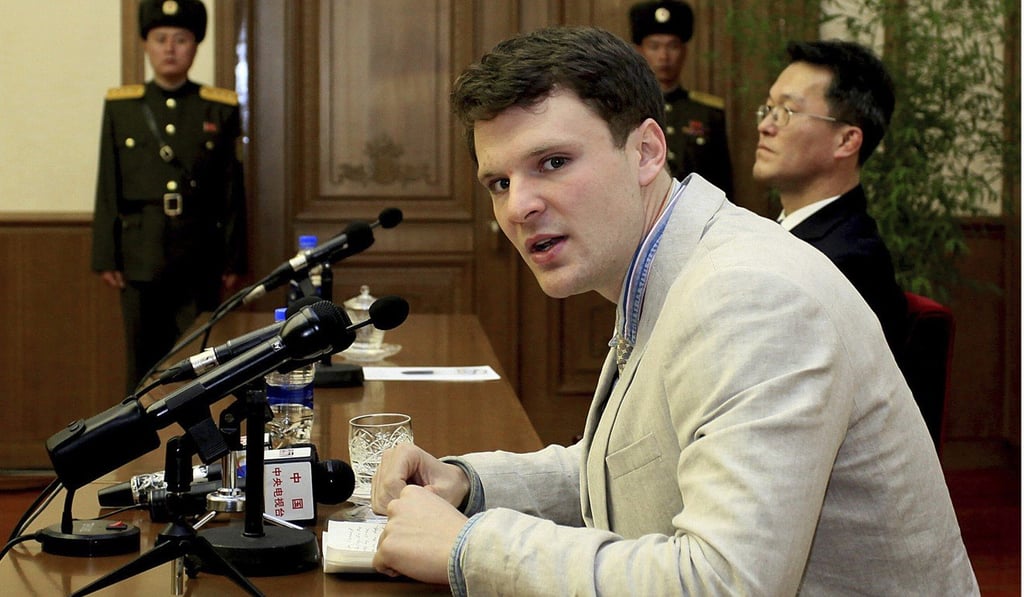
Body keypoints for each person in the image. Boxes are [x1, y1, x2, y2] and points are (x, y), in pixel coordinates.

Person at [367, 26, 978, 595]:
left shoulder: (750, 296)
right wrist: (472, 486)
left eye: (552, 163)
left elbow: (721, 582)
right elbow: (640, 463)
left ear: (647, 152)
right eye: (498, 183)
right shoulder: (670, 262)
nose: (518, 206)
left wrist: (469, 547)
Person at [91, 0, 247, 393]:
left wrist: (234, 256)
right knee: (142, 364)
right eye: (161, 39)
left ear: (195, 47)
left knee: (200, 360)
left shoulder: (219, 106)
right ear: (146, 44)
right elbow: (108, 183)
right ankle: (141, 450)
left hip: (201, 255)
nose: (170, 48)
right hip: (140, 254)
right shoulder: (123, 106)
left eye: (181, 39)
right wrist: (106, 255)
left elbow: (232, 188)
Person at [753, 40, 906, 351]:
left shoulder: (847, 263)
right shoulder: (777, 234)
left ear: (846, 140)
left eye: (787, 111)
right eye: (768, 109)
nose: (765, 126)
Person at [629, 0, 733, 196]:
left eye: (672, 46)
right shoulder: (625, 110)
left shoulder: (708, 112)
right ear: (639, 51)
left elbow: (723, 185)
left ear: (684, 51)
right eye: (654, 46)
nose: (664, 56)